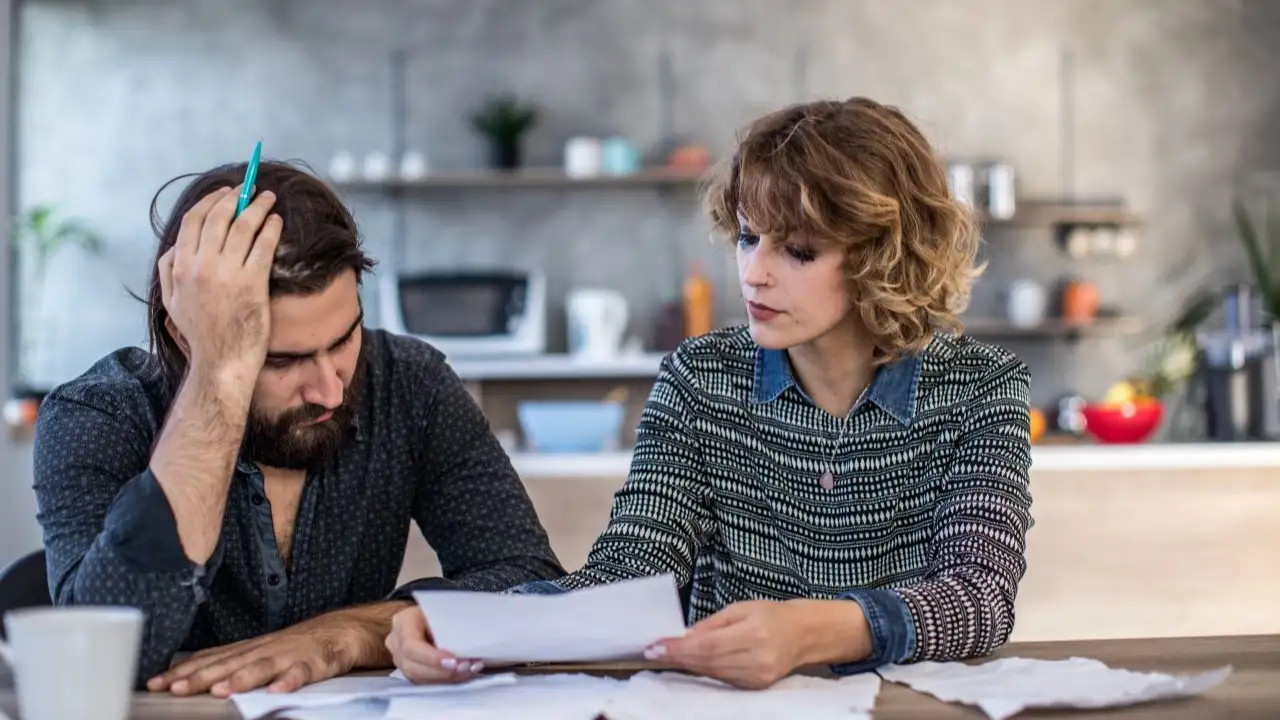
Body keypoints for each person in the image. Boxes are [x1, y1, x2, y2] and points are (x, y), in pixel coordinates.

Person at [386, 97, 1034, 690]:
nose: (754, 273)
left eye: (799, 251)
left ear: (888, 254)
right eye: (749, 237)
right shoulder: (701, 378)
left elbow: (977, 597)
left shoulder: (983, 388)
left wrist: (808, 630)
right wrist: (470, 626)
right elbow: (629, 572)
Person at [32, 160, 564, 697]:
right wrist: (216, 378)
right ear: (187, 336)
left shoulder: (412, 383)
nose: (331, 391)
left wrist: (349, 633)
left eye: (344, 340)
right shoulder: (97, 414)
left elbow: (527, 585)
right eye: (283, 361)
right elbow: (106, 654)